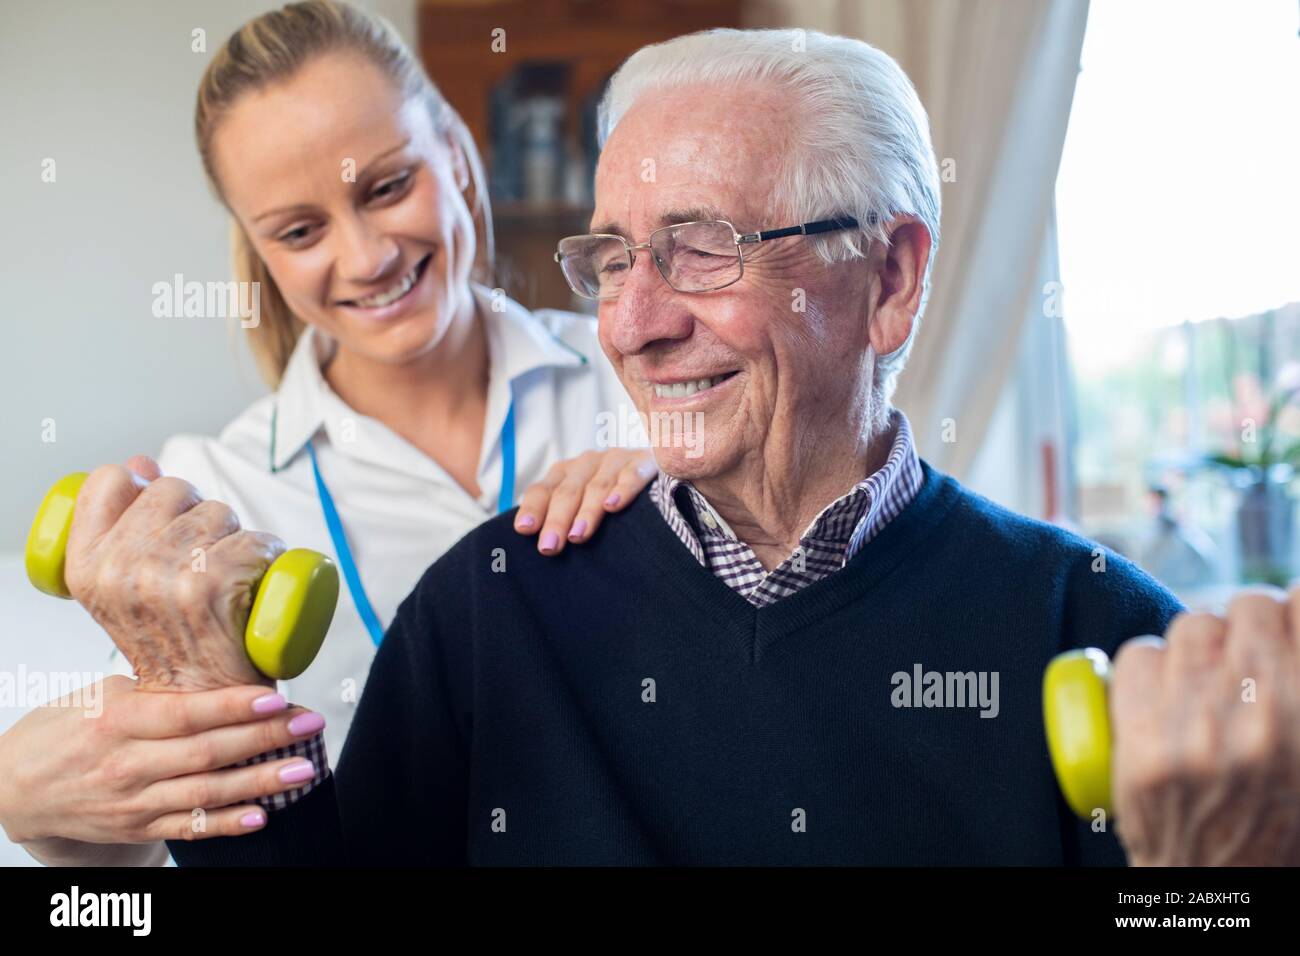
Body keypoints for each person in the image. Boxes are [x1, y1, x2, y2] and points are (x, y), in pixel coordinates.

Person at [26, 27, 1300, 866]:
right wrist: (53, 826)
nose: (630, 323)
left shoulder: (1090, 625)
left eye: (702, 247)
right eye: (615, 257)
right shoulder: (488, 598)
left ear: (892, 279)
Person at [0, 0, 656, 867]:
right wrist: (30, 805)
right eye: (301, 231)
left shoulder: (638, 383)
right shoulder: (211, 501)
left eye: (387, 187)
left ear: (455, 154)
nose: (365, 256)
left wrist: (690, 485)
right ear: (259, 250)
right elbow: (151, 847)